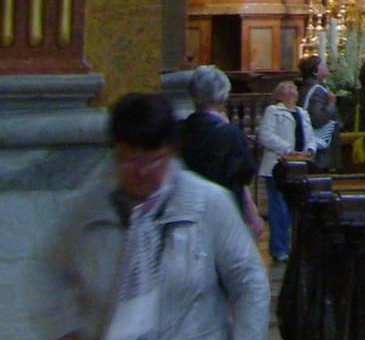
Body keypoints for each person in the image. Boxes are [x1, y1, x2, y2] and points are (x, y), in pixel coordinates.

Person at [45, 93, 269, 340]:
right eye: (131, 160)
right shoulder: (88, 209)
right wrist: (66, 328)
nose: (143, 171)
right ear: (115, 152)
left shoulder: (208, 202)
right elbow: (50, 274)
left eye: (155, 159)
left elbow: (249, 281)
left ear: (172, 152)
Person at [178, 64, 262, 236]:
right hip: (225, 215)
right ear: (223, 96)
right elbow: (241, 179)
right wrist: (252, 214)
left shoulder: (178, 130)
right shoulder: (230, 134)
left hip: (186, 213)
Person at [256, 79, 322, 262]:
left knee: (297, 209)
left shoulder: (302, 113)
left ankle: (296, 247)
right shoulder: (273, 111)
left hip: (299, 166)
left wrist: (310, 150)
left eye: (294, 87)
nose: (292, 90)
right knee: (279, 209)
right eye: (287, 87)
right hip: (278, 165)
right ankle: (279, 249)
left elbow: (310, 136)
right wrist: (287, 149)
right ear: (279, 94)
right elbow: (265, 135)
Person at [298, 55, 340, 171]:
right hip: (321, 151)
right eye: (323, 64)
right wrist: (331, 104)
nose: (327, 66)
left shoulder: (310, 86)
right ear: (315, 71)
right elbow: (317, 119)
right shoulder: (316, 90)